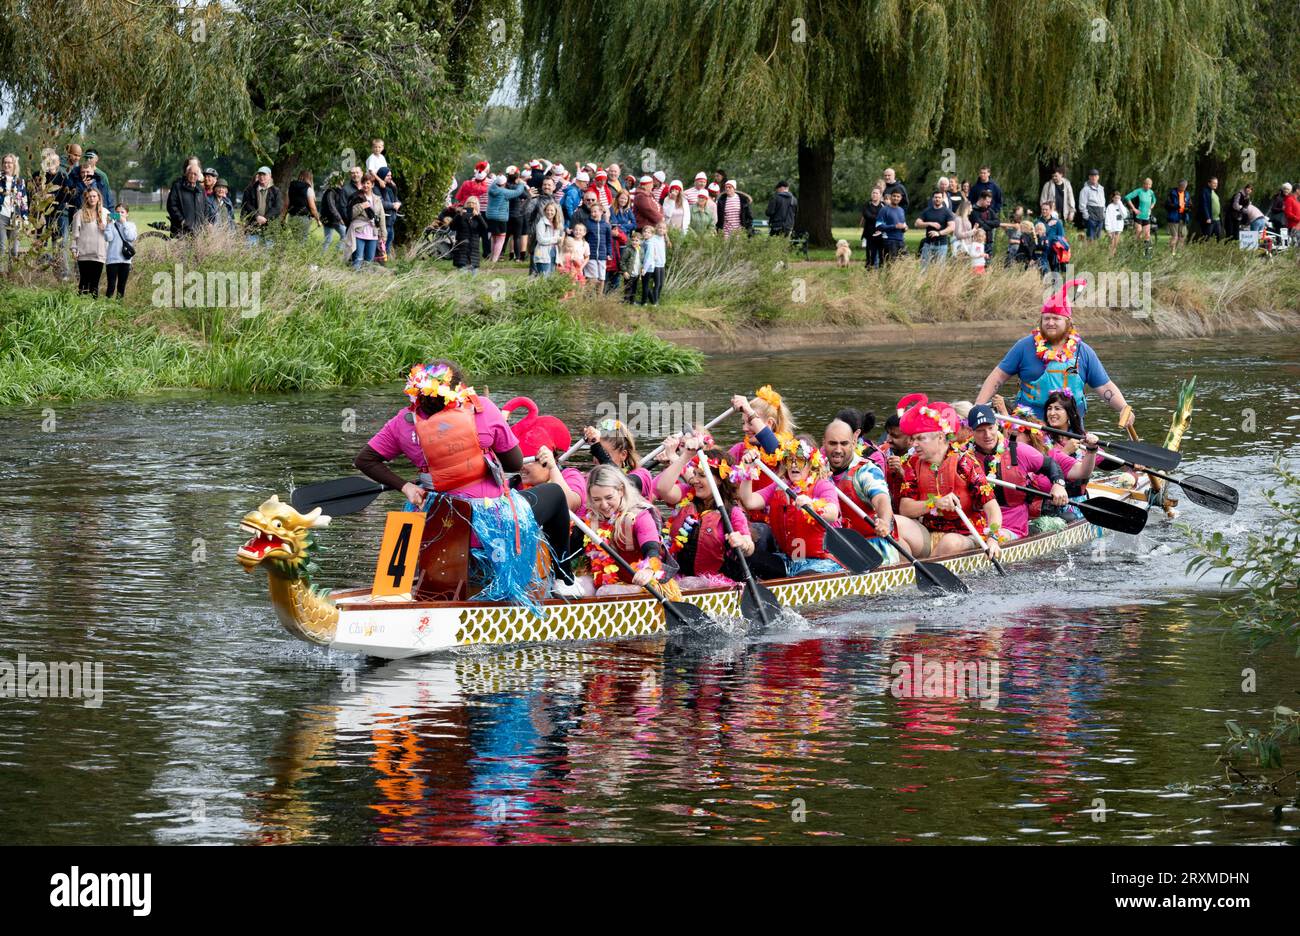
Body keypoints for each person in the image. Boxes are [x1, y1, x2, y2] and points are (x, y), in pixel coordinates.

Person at [354, 359, 577, 603]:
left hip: (436, 521)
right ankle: (565, 581)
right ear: (459, 388)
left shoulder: (403, 422)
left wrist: (406, 486)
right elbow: (514, 464)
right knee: (554, 494)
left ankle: (429, 588)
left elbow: (365, 460)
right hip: (490, 522)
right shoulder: (483, 409)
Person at [976, 277, 1133, 424]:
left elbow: (1105, 387)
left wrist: (1124, 409)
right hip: (1030, 428)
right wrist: (978, 408)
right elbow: (998, 377)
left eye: (1056, 319)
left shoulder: (1083, 352)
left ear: (1068, 323)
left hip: (1072, 430)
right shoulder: (1023, 347)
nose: (1050, 323)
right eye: (1046, 318)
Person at [657, 439, 785, 587]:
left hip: (717, 583)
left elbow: (749, 545)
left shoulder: (732, 512)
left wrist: (742, 543)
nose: (695, 480)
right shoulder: (687, 495)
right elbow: (663, 489)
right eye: (696, 474)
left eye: (702, 476)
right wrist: (685, 455)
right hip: (680, 579)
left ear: (718, 480)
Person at [897, 398, 1003, 560]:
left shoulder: (965, 462)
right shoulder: (913, 463)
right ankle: (907, 573)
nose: (914, 444)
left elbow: (992, 508)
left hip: (966, 535)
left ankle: (924, 572)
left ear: (940, 437)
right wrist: (935, 503)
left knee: (950, 542)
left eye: (920, 439)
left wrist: (993, 538)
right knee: (895, 522)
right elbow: (905, 508)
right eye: (914, 439)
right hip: (928, 533)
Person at [962, 404, 1077, 539]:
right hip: (975, 523)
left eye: (990, 428)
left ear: (997, 426)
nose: (987, 435)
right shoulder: (963, 456)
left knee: (989, 538)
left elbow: (1050, 464)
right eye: (980, 430)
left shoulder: (1018, 450)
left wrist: (1058, 484)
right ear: (971, 432)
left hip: (1012, 524)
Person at [735, 435, 844, 576]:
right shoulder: (779, 486)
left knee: (803, 578)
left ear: (811, 464)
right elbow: (749, 501)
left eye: (799, 460)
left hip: (821, 562)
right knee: (747, 559)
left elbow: (832, 512)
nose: (793, 465)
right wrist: (748, 470)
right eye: (789, 459)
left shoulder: (822, 485)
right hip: (789, 561)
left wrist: (812, 506)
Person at [822, 417, 926, 558]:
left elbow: (881, 498)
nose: (838, 450)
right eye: (832, 443)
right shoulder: (818, 469)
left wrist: (884, 520)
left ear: (853, 442)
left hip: (871, 545)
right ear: (824, 443)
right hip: (837, 544)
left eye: (844, 444)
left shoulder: (866, 471)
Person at [583, 418, 655, 497]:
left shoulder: (643, 476)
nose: (597, 460)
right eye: (595, 455)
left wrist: (596, 447)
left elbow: (623, 485)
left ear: (623, 455)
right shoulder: (587, 480)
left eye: (605, 454)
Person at [70, 186, 112, 297]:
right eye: (89, 197)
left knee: (94, 284)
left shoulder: (106, 213)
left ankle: (93, 308)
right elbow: (75, 234)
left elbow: (121, 220)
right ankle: (80, 306)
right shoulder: (79, 214)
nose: (92, 199)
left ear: (98, 197)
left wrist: (106, 227)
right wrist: (73, 249)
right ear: (86, 199)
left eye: (94, 196)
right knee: (83, 283)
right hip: (83, 253)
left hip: (99, 253)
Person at [344, 175, 384, 270]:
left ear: (373, 185)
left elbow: (382, 217)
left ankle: (365, 281)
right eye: (364, 183)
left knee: (369, 260)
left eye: (368, 183)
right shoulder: (356, 197)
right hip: (359, 232)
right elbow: (350, 215)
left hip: (373, 233)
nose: (365, 185)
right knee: (358, 259)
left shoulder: (377, 199)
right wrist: (361, 206)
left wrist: (383, 234)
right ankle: (354, 280)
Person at [486, 168, 527, 262]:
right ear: (504, 183)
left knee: (494, 237)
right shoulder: (504, 192)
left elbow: (495, 181)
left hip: (490, 216)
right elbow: (517, 192)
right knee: (500, 238)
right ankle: (494, 259)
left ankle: (492, 256)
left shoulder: (491, 188)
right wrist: (521, 183)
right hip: (500, 217)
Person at [166, 158, 208, 238]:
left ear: (198, 175)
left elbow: (205, 207)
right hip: (181, 230)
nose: (192, 176)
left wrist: (204, 223)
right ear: (186, 173)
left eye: (195, 174)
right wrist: (182, 221)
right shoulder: (177, 186)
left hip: (198, 231)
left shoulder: (200, 189)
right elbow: (171, 206)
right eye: (190, 173)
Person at [103, 201, 136, 299]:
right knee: (111, 286)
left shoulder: (131, 225)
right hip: (112, 260)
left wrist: (124, 223)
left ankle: (119, 305)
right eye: (117, 212)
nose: (120, 214)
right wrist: (108, 224)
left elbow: (130, 237)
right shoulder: (112, 225)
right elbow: (108, 238)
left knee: (121, 286)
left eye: (122, 212)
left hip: (125, 260)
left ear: (127, 213)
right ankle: (107, 305)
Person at [0, 153, 27, 270]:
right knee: (2, 248)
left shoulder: (20, 181)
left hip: (16, 217)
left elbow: (24, 200)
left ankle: (12, 275)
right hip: (1, 215)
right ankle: (1, 275)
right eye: (5, 162)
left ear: (14, 165)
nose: (7, 165)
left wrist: (25, 219)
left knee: (15, 249)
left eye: (9, 163)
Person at [241, 167, 282, 244]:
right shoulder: (250, 190)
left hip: (270, 227)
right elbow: (247, 205)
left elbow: (277, 208)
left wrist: (265, 218)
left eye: (264, 174)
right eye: (260, 174)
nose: (261, 177)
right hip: (252, 225)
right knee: (252, 251)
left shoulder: (276, 191)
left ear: (270, 176)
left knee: (268, 252)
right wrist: (257, 216)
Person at [914, 190, 955, 267]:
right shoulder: (927, 211)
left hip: (941, 245)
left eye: (939, 197)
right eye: (935, 197)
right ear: (932, 199)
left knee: (939, 270)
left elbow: (952, 227)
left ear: (942, 199)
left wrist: (939, 233)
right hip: (928, 244)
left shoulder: (947, 212)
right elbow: (916, 224)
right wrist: (929, 223)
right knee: (923, 268)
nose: (937, 199)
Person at [449, 196, 488, 272]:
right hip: (462, 247)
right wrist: (459, 215)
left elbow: (485, 228)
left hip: (473, 248)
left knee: (474, 273)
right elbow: (452, 227)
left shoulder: (478, 217)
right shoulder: (460, 216)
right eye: (469, 203)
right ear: (466, 205)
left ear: (477, 205)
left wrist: (478, 216)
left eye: (473, 203)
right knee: (462, 271)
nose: (471, 205)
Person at [583, 203, 612, 287]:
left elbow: (609, 241)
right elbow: (584, 238)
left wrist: (609, 253)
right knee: (593, 278)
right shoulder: (588, 224)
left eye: (595, 212)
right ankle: (591, 297)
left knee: (602, 277)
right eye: (591, 212)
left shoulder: (606, 226)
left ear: (601, 212)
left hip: (602, 255)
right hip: (591, 255)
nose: (593, 214)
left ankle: (599, 297)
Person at [286, 169, 320, 242]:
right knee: (302, 241)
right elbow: (312, 207)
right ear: (309, 178)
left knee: (296, 240)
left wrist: (283, 217)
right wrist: (318, 220)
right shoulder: (308, 189)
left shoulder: (291, 187)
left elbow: (286, 203)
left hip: (291, 217)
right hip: (303, 218)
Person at [374, 167, 400, 255]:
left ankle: (385, 265)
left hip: (391, 222)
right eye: (387, 175)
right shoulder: (376, 189)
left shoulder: (390, 188)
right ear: (381, 176)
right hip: (383, 223)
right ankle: (377, 265)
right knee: (380, 247)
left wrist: (398, 204)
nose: (390, 177)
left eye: (390, 175)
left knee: (387, 246)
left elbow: (397, 200)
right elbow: (380, 203)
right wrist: (393, 205)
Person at [319, 172, 348, 251]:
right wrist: (340, 219)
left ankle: (336, 253)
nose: (343, 180)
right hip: (330, 219)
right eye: (341, 179)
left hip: (334, 218)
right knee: (329, 239)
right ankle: (323, 257)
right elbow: (332, 207)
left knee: (344, 235)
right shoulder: (331, 192)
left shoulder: (338, 191)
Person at [876, 189, 907, 262]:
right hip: (889, 241)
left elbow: (902, 224)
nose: (896, 198)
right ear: (891, 197)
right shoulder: (884, 210)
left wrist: (905, 227)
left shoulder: (901, 210)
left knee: (905, 264)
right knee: (890, 266)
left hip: (901, 241)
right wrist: (894, 226)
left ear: (901, 198)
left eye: (898, 196)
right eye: (894, 196)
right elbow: (878, 225)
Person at [532, 200, 562, 276]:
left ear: (555, 211)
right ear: (544, 211)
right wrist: (556, 239)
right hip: (542, 254)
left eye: (552, 210)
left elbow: (558, 239)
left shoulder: (557, 223)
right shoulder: (541, 223)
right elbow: (541, 240)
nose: (549, 212)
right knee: (543, 277)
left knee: (551, 278)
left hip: (554, 253)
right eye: (547, 210)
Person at [1124, 178, 1156, 246]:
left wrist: (1151, 207)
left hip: (1147, 215)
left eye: (1149, 184)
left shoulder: (1151, 192)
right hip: (1138, 215)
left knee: (1147, 234)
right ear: (1143, 184)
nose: (1147, 186)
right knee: (1138, 232)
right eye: (1146, 184)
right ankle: (1136, 249)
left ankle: (1147, 253)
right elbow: (1127, 197)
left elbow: (1154, 200)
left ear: (1151, 185)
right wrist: (1134, 208)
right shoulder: (1139, 191)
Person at [1166, 178, 1193, 256]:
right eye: (1182, 186)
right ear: (1179, 186)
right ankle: (1172, 253)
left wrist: (1188, 207)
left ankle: (1179, 253)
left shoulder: (1187, 194)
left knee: (1182, 236)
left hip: (1183, 217)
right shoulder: (1172, 193)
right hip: (1173, 217)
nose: (1184, 188)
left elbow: (1190, 204)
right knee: (1175, 236)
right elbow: (1167, 204)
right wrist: (1177, 206)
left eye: (1185, 186)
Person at [1077, 169, 1106, 241]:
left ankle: (1095, 251)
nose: (1094, 178)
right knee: (1090, 237)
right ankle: (1089, 251)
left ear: (1098, 177)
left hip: (1100, 216)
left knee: (1098, 237)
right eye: (1092, 176)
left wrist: (1104, 213)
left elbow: (1103, 202)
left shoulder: (1101, 188)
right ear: (1089, 177)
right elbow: (1082, 205)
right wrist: (1087, 217)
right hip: (1091, 216)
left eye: (1095, 176)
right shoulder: (1085, 189)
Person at [641, 223, 665, 305]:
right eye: (659, 228)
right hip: (655, 264)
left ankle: (654, 301)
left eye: (663, 228)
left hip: (660, 264)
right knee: (656, 284)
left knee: (660, 284)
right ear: (656, 229)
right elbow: (650, 253)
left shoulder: (662, 238)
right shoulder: (652, 239)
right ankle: (654, 301)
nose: (661, 230)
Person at [861, 186, 885, 268]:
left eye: (876, 193)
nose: (874, 194)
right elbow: (868, 216)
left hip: (881, 234)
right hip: (869, 234)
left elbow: (887, 217)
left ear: (880, 195)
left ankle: (879, 274)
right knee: (870, 256)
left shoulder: (883, 205)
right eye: (873, 193)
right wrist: (880, 218)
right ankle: (870, 274)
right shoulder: (866, 205)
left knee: (882, 256)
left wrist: (877, 218)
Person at [1104, 190, 1127, 256]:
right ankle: (1109, 256)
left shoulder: (1121, 206)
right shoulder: (1110, 206)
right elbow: (1107, 218)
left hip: (1118, 228)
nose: (1117, 199)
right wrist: (1108, 229)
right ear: (1113, 198)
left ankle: (1113, 257)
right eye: (1116, 198)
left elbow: (1124, 215)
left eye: (1119, 198)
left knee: (1116, 244)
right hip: (1111, 228)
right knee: (1111, 243)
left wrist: (1120, 205)